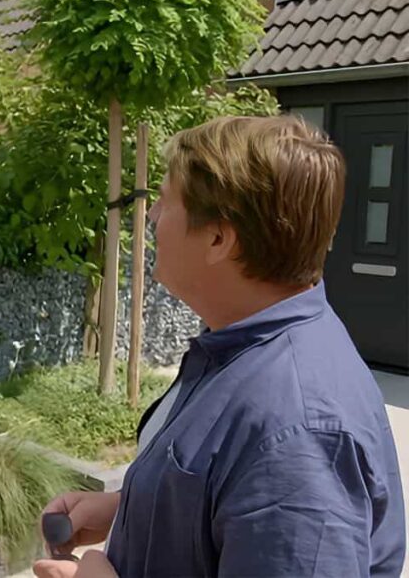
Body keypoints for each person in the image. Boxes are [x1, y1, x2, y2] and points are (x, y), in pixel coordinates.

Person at [34, 116, 405, 578]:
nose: (150, 217)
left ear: (217, 238)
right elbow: (232, 497)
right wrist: (133, 507)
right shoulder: (243, 345)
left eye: (164, 202)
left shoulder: (298, 432)